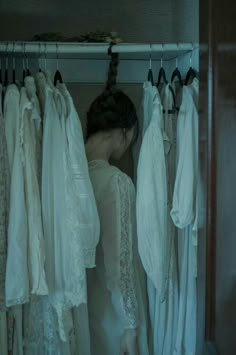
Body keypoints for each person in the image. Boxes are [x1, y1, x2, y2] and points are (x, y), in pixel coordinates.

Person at [85, 50, 150, 355]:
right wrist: (131, 327)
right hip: (112, 321)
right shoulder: (116, 183)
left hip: (81, 315)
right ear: (124, 133)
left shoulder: (65, 174)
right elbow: (119, 265)